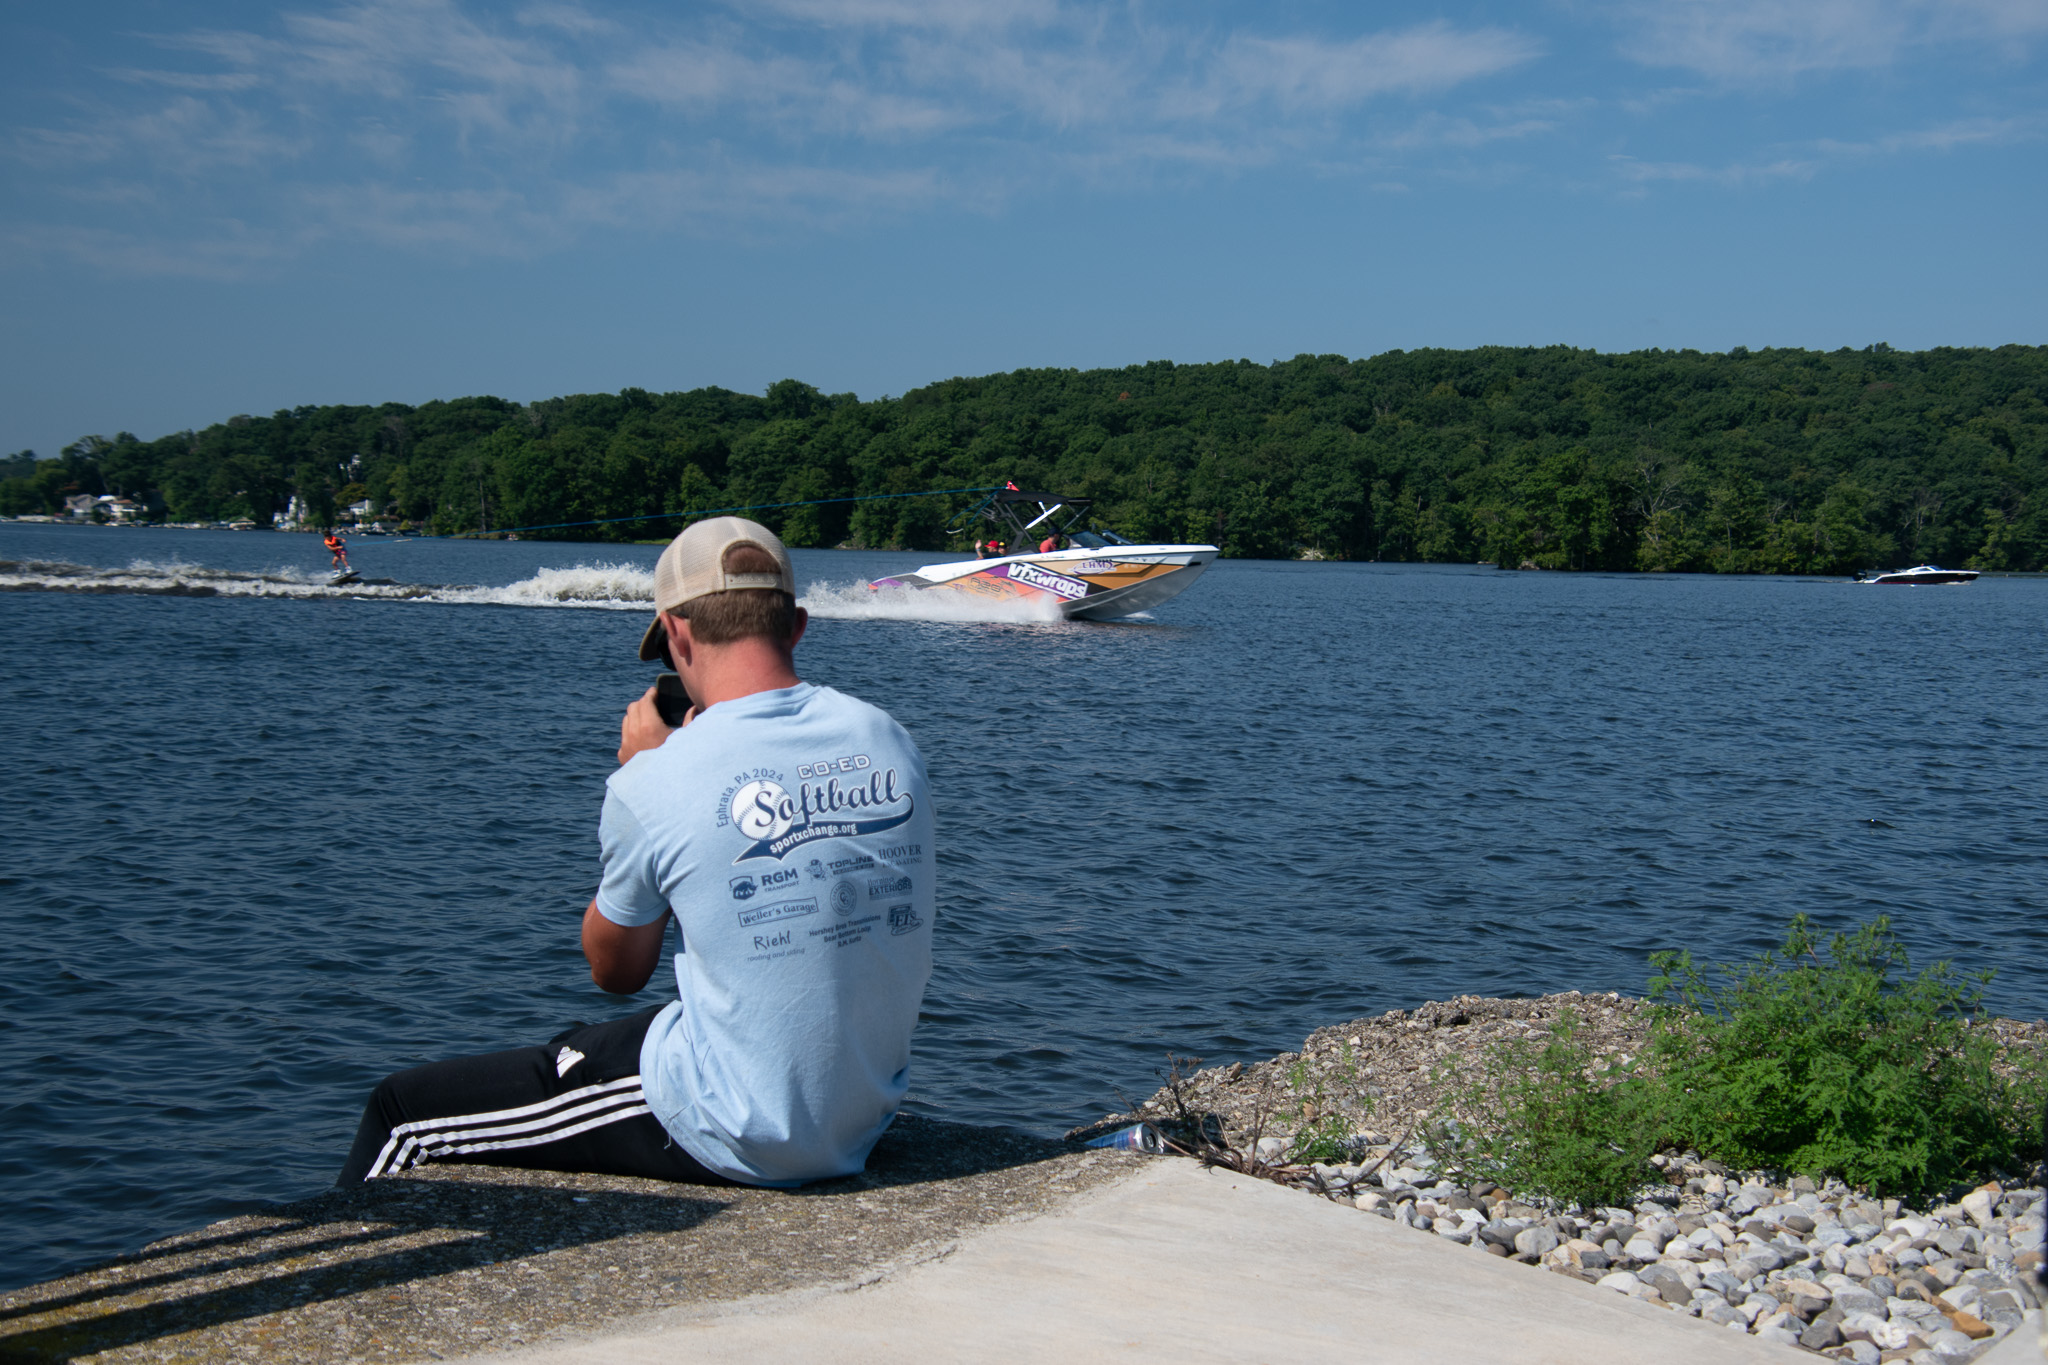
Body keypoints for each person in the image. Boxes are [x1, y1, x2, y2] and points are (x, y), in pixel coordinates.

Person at [336, 516, 936, 1188]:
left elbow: (616, 971)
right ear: (796, 625)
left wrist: (649, 771)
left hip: (741, 1126)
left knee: (401, 1113)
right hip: (862, 1110)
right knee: (595, 1041)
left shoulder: (656, 779)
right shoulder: (888, 737)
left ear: (677, 634)